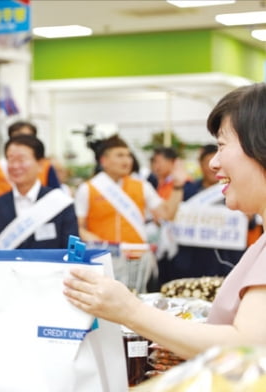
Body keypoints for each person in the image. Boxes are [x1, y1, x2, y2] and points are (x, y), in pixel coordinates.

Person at [64, 82, 266, 360]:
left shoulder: (140, 187)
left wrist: (129, 310)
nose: (213, 163)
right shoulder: (89, 189)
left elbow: (250, 346)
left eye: (222, 146)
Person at [74, 134, 187, 246]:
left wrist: (177, 186)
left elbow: (167, 214)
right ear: (104, 161)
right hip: (102, 255)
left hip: (136, 256)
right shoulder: (88, 188)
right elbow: (77, 226)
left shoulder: (142, 186)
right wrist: (93, 240)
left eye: (129, 156)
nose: (127, 160)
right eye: (120, 155)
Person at [163, 144, 244, 281]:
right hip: (190, 261)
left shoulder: (237, 190)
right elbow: (169, 214)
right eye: (208, 162)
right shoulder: (187, 190)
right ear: (200, 165)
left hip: (225, 261)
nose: (213, 167)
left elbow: (251, 222)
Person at [0, 134, 78, 249]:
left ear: (40, 164)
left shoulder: (60, 203)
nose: (15, 166)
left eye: (21, 160)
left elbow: (70, 252)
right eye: (11, 160)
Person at [0, 120, 61, 218]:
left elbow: (57, 196)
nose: (22, 142)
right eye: (17, 138)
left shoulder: (45, 166)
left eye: (27, 137)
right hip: (5, 218)